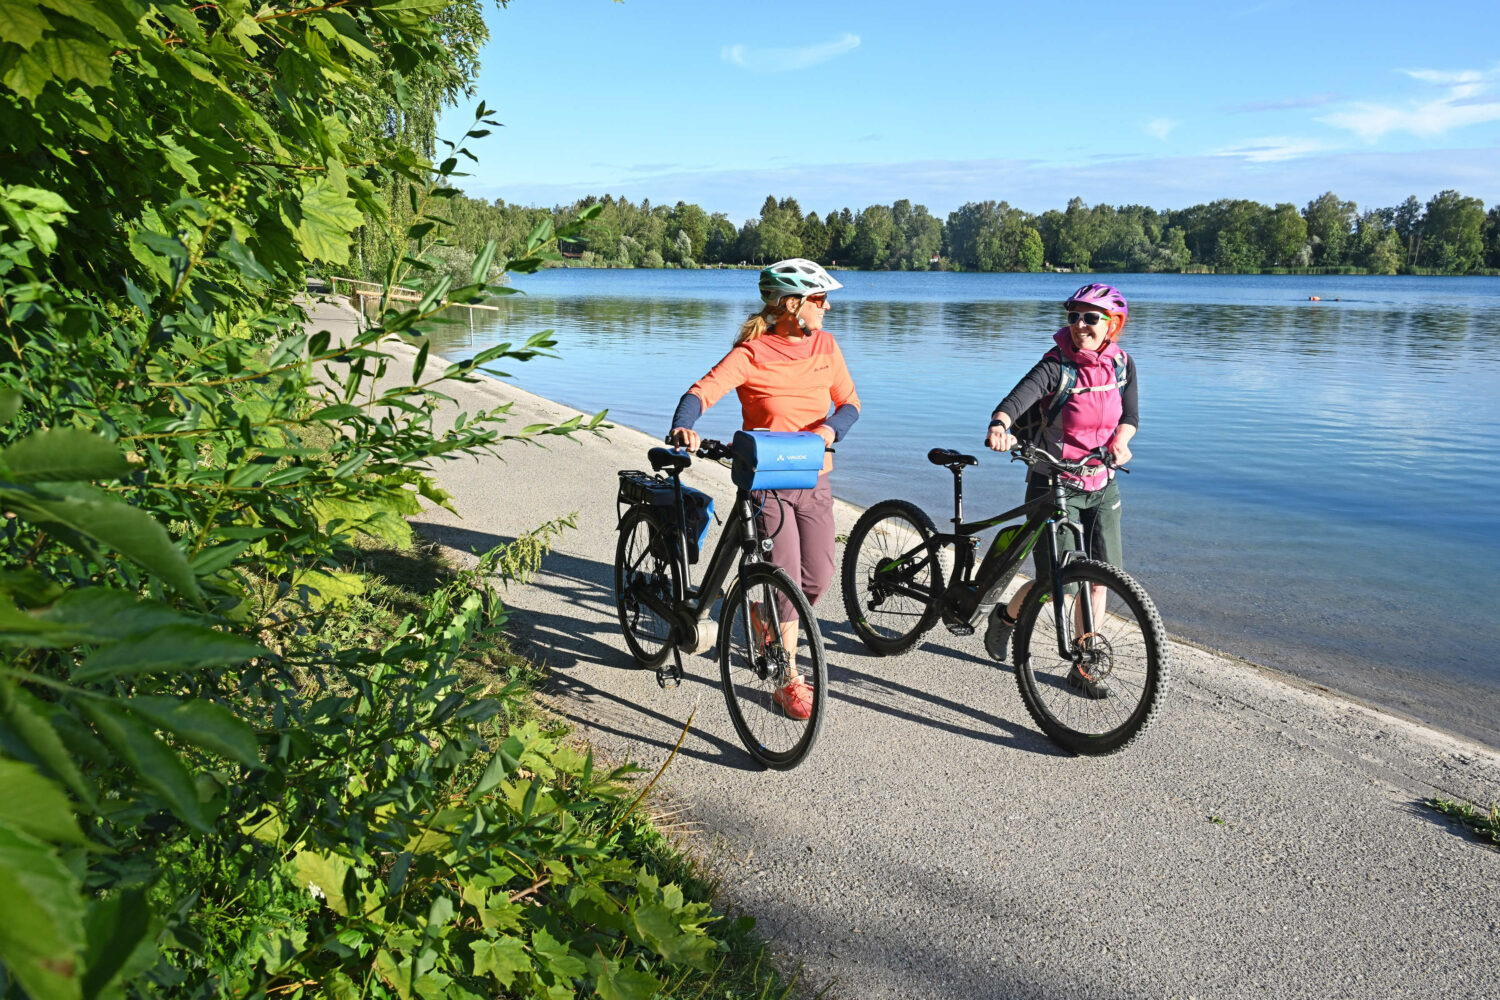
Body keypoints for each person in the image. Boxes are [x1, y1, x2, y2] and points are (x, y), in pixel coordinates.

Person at [667, 258, 861, 719]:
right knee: (786, 575)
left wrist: (831, 432)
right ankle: (787, 676)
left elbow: (849, 403)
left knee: (819, 575)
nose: (828, 307)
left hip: (814, 477)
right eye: (820, 299)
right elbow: (700, 392)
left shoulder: (827, 346)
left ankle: (765, 620)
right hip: (766, 484)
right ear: (792, 305)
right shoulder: (752, 354)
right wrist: (684, 427)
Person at [981, 282, 1138, 697]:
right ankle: (1008, 618)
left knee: (1102, 577)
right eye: (1073, 317)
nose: (1080, 325)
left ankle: (1085, 665)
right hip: (1052, 481)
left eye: (1090, 318)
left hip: (1101, 481)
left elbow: (1131, 415)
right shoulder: (1057, 365)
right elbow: (1017, 399)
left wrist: (1121, 443)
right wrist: (999, 424)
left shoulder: (1122, 364)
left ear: (1113, 324)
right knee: (1060, 584)